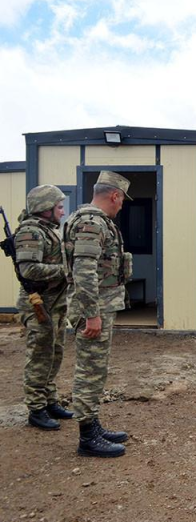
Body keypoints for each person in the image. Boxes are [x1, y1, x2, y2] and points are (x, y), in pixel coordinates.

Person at [65, 170, 134, 457]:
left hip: (100, 305)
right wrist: (92, 314)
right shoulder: (92, 223)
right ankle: (87, 438)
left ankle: (92, 424)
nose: (121, 206)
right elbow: (84, 269)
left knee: (96, 368)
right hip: (94, 308)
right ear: (114, 195)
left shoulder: (92, 220)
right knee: (89, 370)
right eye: (121, 200)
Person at [14, 185, 72, 430]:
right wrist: (66, 271)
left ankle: (49, 400)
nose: (62, 211)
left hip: (55, 303)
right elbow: (28, 270)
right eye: (58, 207)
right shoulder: (31, 232)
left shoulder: (49, 231)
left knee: (54, 353)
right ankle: (36, 408)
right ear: (44, 209)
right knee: (39, 355)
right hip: (38, 303)